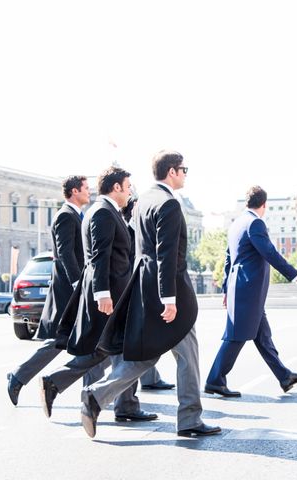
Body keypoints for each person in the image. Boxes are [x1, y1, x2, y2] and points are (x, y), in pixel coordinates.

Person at [81, 150, 220, 438]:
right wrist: (169, 298)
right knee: (188, 356)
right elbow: (166, 255)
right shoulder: (169, 204)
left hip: (144, 288)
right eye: (184, 169)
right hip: (170, 294)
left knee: (146, 356)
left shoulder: (143, 200)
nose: (185, 174)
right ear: (172, 171)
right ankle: (190, 419)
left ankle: (96, 394)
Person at [41, 166, 156, 424]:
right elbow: (99, 256)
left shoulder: (106, 212)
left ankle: (123, 404)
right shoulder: (103, 212)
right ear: (116, 187)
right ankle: (123, 404)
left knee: (105, 351)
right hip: (111, 297)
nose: (129, 192)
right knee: (121, 350)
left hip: (115, 294)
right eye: (128, 187)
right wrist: (103, 293)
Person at [205, 186, 297, 397]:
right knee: (236, 336)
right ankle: (215, 380)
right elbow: (269, 252)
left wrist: (227, 289)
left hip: (241, 289)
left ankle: (284, 376)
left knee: (263, 336)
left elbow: (229, 259)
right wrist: (296, 275)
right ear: (264, 205)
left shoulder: (237, 224)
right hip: (248, 291)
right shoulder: (255, 223)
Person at [6, 176, 92, 406]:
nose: (89, 192)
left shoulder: (76, 215)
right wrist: (77, 284)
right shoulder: (66, 215)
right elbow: (65, 253)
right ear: (75, 191)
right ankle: (18, 376)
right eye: (86, 188)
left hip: (75, 288)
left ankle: (93, 392)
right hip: (69, 290)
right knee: (60, 340)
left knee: (87, 338)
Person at [121, 196, 175, 392]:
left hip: (139, 290)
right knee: (114, 350)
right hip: (128, 291)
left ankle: (150, 378)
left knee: (145, 338)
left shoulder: (139, 232)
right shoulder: (127, 231)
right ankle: (104, 391)